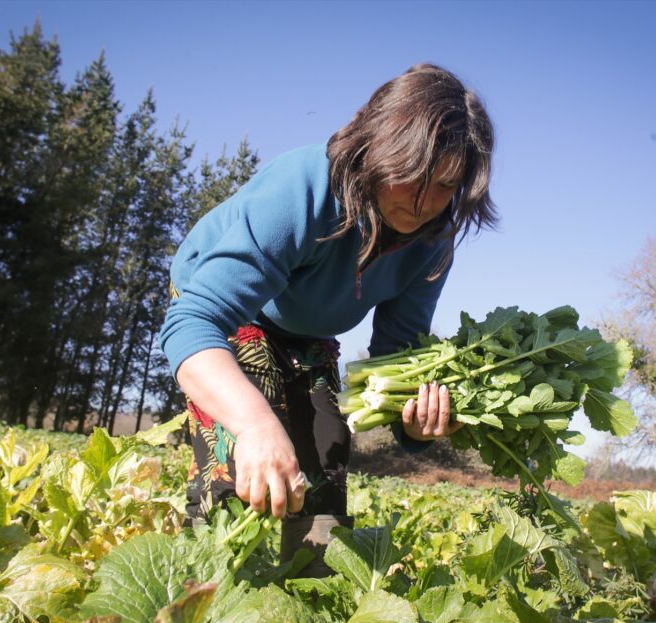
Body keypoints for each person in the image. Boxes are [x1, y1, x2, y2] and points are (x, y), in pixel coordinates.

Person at [160, 64, 497, 567]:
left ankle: (309, 598)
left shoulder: (432, 243)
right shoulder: (303, 189)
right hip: (226, 311)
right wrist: (254, 424)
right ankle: (210, 586)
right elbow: (193, 324)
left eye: (446, 185)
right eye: (413, 178)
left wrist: (417, 425)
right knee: (243, 460)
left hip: (307, 330)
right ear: (377, 149)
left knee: (324, 460)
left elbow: (395, 352)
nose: (426, 203)